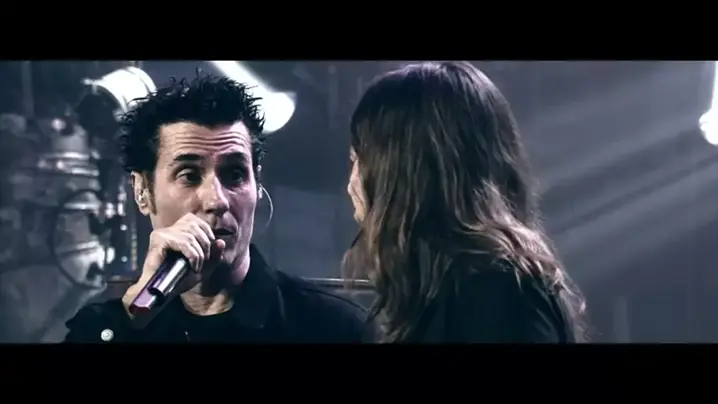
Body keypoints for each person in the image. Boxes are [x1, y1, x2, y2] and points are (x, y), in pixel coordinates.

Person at [64, 74, 366, 343]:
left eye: (234, 174)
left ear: (257, 183)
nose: (217, 200)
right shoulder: (109, 326)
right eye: (189, 175)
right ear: (142, 191)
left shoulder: (331, 327)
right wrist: (133, 314)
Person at [344, 61, 588, 343]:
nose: (352, 182)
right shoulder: (463, 289)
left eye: (358, 158)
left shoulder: (495, 294)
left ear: (401, 170)